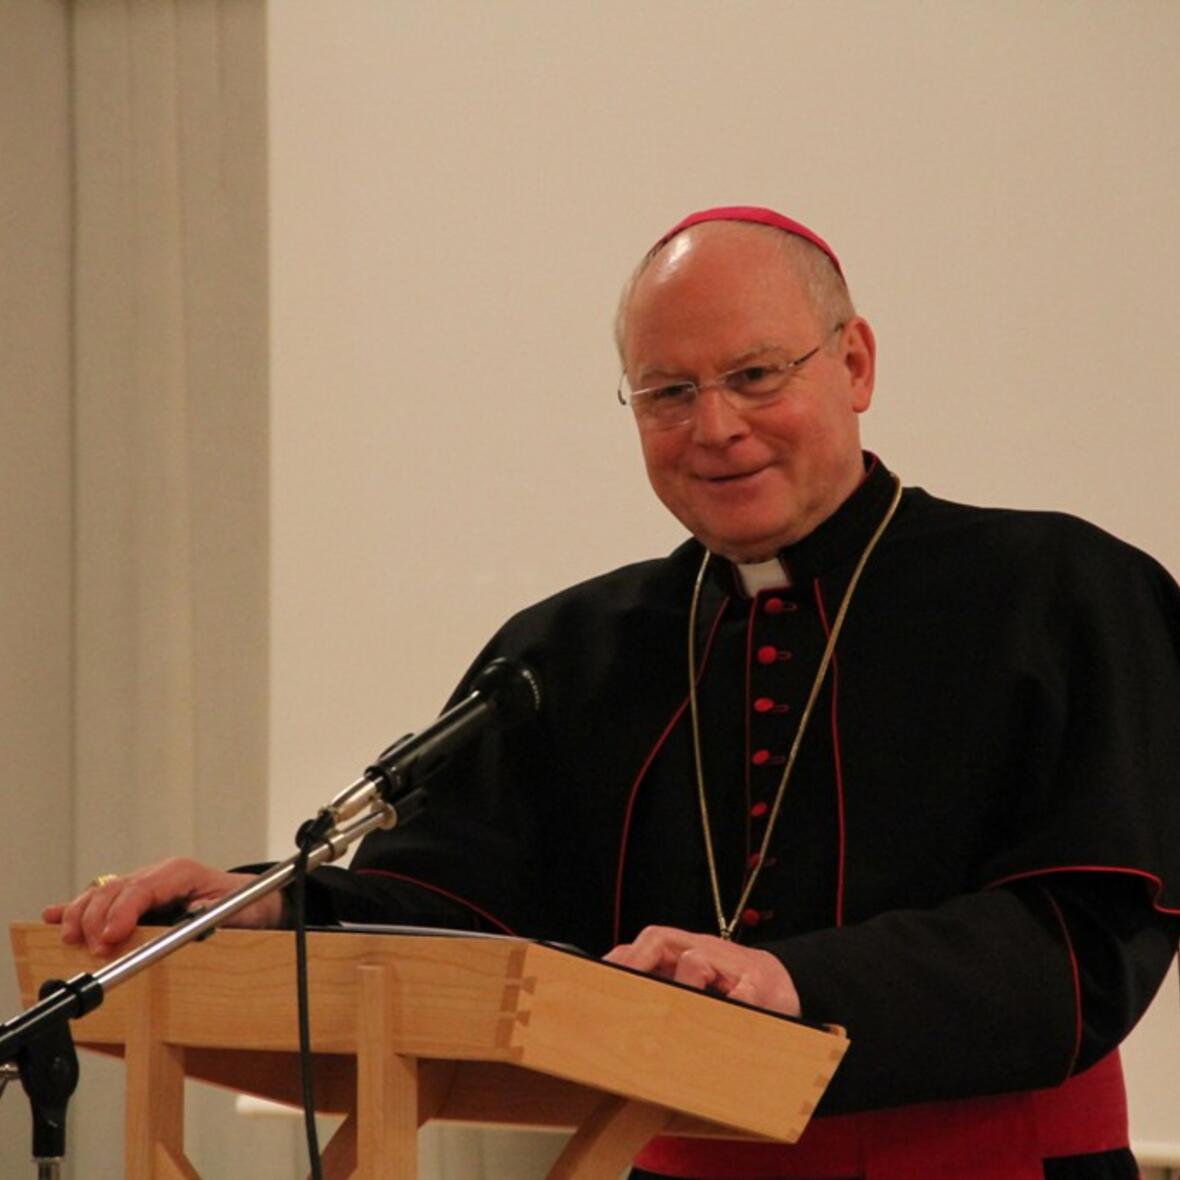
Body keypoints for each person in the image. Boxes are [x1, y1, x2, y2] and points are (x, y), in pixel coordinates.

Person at [46, 207, 1180, 1179]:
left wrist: (791, 977)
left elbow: (1084, 937)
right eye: (666, 391)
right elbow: (463, 908)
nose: (715, 426)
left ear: (856, 363)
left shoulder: (1060, 592)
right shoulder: (568, 650)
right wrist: (266, 904)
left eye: (754, 375)